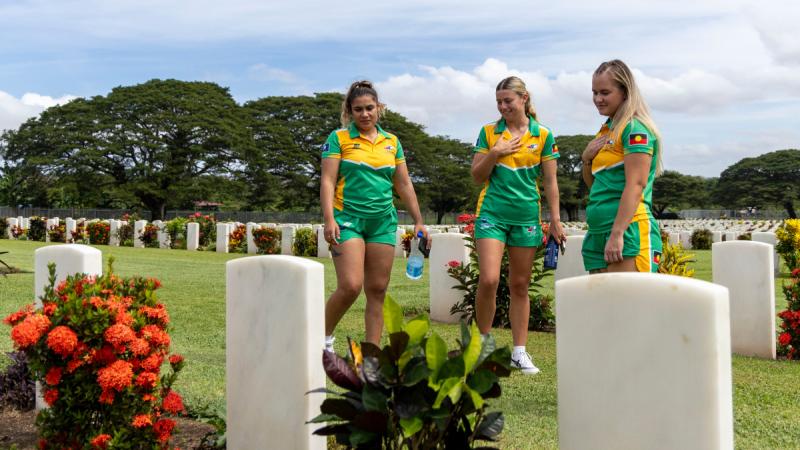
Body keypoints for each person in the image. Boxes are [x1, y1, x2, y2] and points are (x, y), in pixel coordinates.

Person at [320, 80, 428, 351]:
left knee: (377, 290)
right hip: (347, 220)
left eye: (369, 108)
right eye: (358, 109)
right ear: (350, 111)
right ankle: (321, 338)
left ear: (379, 108)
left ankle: (371, 353)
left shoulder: (392, 142)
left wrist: (418, 220)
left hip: (382, 222)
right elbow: (328, 181)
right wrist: (329, 219)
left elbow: (403, 184)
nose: (365, 114)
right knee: (350, 286)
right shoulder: (339, 138)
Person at [471, 76, 564, 375]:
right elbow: (476, 175)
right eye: (498, 102)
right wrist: (495, 152)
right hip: (492, 215)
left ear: (524, 99)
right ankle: (481, 347)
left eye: (507, 101)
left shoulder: (544, 135)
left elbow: (550, 182)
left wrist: (556, 221)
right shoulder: (488, 133)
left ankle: (518, 352)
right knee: (488, 279)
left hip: (526, 217)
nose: (502, 106)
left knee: (520, 285)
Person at [581, 59, 663, 273]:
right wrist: (586, 159)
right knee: (604, 306)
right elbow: (596, 186)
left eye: (605, 93)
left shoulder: (635, 129)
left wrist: (617, 233)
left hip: (627, 229)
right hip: (599, 230)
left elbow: (636, 185)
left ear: (625, 92)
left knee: (629, 305)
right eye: (594, 92)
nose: (598, 99)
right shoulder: (606, 130)